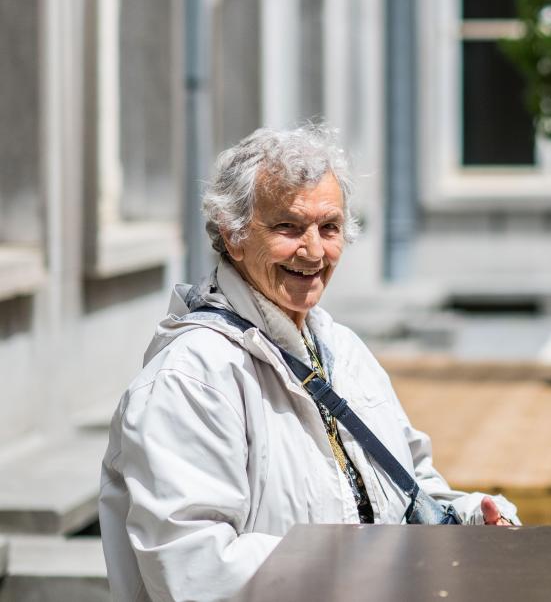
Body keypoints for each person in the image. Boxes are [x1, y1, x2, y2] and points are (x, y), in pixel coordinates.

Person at [99, 124, 518, 602]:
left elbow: (409, 484)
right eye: (288, 227)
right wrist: (366, 567)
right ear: (233, 236)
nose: (315, 251)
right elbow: (193, 572)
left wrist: (464, 517)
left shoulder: (343, 348)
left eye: (330, 227)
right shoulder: (192, 378)